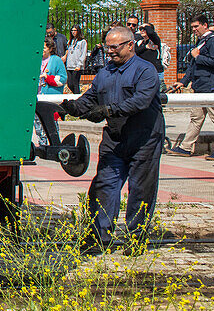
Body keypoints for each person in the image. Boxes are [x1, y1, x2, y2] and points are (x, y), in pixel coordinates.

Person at [61, 26, 163, 253]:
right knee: (104, 185)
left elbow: (140, 102)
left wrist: (107, 111)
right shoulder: (105, 73)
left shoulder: (145, 71)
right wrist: (72, 107)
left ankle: (136, 240)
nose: (110, 52)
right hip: (115, 139)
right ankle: (99, 238)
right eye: (108, 47)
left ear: (130, 45)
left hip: (144, 139)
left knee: (140, 189)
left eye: (115, 47)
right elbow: (89, 99)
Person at [168, 14, 214, 158]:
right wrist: (183, 82)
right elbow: (193, 66)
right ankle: (186, 147)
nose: (194, 30)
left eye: (196, 26)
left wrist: (198, 56)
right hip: (199, 87)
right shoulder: (201, 42)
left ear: (205, 25)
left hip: (210, 87)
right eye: (192, 27)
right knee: (196, 118)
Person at [34, 35, 68, 145]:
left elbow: (63, 78)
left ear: (50, 48)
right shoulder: (36, 60)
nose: (41, 50)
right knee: (38, 123)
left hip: (50, 99)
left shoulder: (56, 60)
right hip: (38, 97)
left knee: (51, 122)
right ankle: (42, 144)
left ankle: (54, 144)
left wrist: (47, 78)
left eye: (43, 48)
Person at [64, 25, 88, 93]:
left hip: (77, 65)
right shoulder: (70, 41)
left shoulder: (82, 41)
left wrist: (79, 65)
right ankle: (75, 95)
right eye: (72, 30)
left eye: (75, 30)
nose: (73, 32)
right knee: (69, 84)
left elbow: (83, 54)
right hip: (69, 65)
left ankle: (77, 97)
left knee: (75, 83)